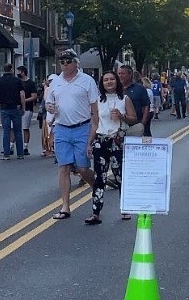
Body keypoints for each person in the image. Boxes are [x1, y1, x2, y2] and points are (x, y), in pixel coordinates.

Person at [46, 49, 99, 219]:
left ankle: (97, 187)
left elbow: (95, 108)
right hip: (62, 127)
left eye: (68, 61)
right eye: (62, 62)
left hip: (82, 127)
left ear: (76, 63)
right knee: (64, 167)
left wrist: (95, 130)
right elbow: (49, 102)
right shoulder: (56, 81)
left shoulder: (87, 81)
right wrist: (49, 108)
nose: (65, 65)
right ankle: (65, 207)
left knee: (83, 168)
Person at [84, 71, 136, 225]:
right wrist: (90, 143)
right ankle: (96, 212)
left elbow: (133, 119)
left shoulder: (124, 99)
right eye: (105, 80)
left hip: (117, 140)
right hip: (101, 140)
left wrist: (121, 116)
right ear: (102, 83)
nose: (109, 82)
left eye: (112, 79)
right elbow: (95, 123)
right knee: (99, 178)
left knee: (120, 175)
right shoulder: (98, 101)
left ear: (117, 81)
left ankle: (125, 208)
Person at [0, 63, 25, 160]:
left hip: (4, 108)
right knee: (18, 131)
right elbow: (22, 95)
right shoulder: (17, 81)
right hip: (16, 107)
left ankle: (6, 154)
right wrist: (23, 107)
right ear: (11, 69)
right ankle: (20, 153)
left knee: (6, 131)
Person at [116, 65, 150, 139]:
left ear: (130, 74)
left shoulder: (140, 89)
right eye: (119, 74)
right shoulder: (115, 89)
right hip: (119, 127)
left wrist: (143, 123)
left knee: (144, 142)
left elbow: (146, 106)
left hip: (136, 125)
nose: (120, 76)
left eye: (123, 74)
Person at [18, 65, 38, 156]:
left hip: (27, 108)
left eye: (19, 71)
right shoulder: (17, 82)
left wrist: (24, 101)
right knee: (13, 128)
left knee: (25, 127)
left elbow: (34, 96)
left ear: (23, 72)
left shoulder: (30, 83)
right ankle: (11, 146)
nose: (17, 73)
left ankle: (25, 146)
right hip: (17, 108)